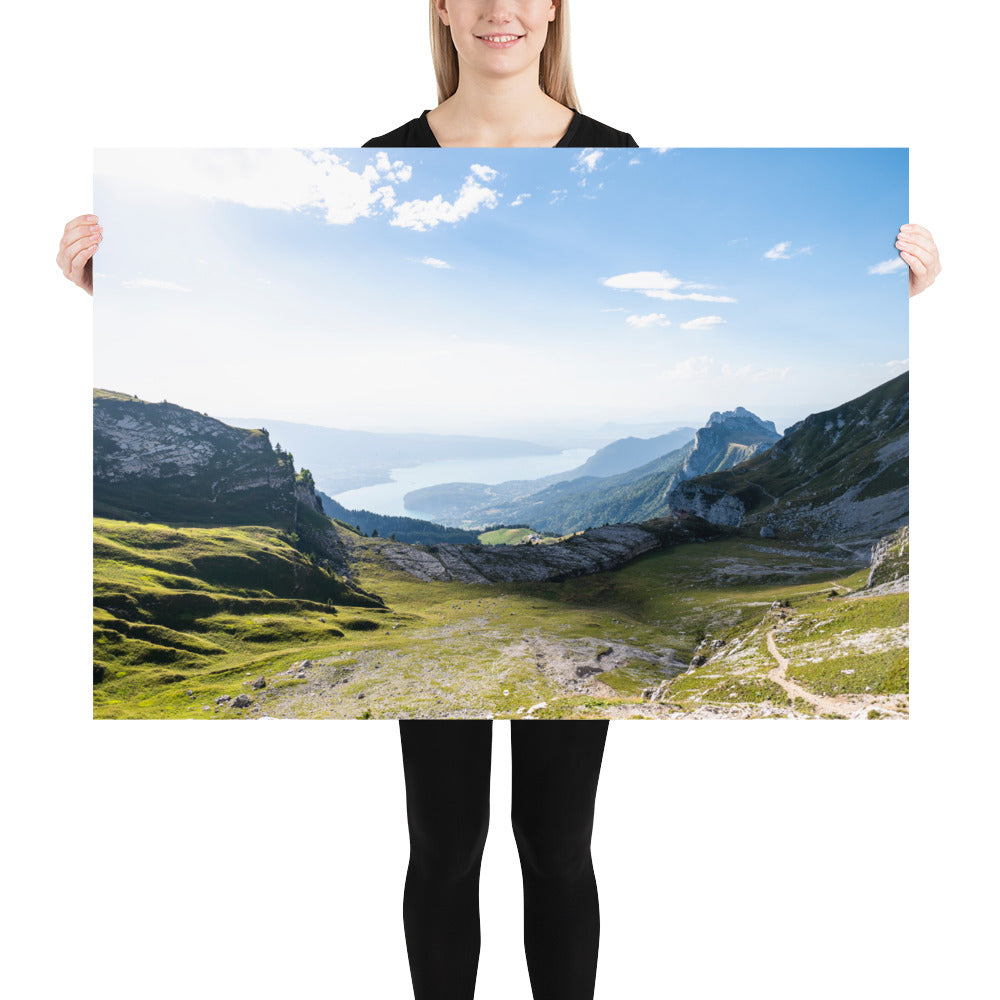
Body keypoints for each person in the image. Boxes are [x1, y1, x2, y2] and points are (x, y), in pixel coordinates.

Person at [63, 3, 939, 998]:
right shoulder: (384, 152)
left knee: (557, 848)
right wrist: (114, 296)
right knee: (444, 847)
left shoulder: (610, 152)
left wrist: (897, 303)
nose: (496, 9)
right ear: (436, 7)